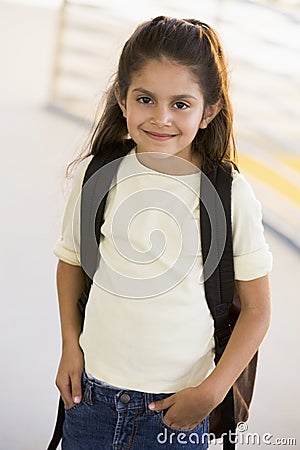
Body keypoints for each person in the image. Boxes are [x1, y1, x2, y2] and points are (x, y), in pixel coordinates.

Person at [53, 16, 272, 450]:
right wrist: (69, 347)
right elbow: (70, 262)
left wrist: (212, 392)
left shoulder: (229, 194)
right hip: (90, 397)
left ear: (209, 110)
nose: (161, 118)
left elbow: (257, 310)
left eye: (181, 104)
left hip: (178, 407)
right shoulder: (98, 176)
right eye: (146, 99)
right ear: (122, 97)